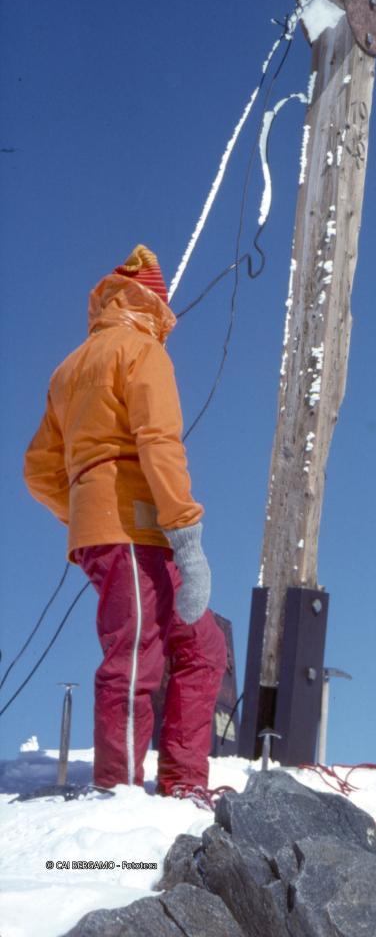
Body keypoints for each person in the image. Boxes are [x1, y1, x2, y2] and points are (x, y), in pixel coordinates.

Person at [24, 244, 226, 797]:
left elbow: (38, 469)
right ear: (155, 304)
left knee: (202, 645)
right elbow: (159, 443)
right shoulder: (142, 352)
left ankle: (185, 781)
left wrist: (85, 515)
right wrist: (187, 537)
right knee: (136, 650)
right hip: (140, 533)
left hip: (113, 534)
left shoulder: (70, 368)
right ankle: (119, 791)